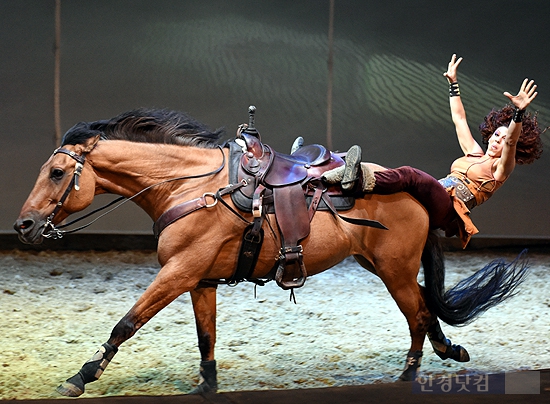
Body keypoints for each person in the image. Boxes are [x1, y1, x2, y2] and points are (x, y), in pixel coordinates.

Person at [324, 54, 544, 247]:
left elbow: (511, 143)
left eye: (504, 139)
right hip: (435, 192)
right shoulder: (474, 153)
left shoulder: (500, 169)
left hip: (448, 208)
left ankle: (358, 180)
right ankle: (345, 175)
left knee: (411, 175)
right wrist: (454, 84)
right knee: (384, 172)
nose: (499, 140)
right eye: (497, 134)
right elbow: (459, 119)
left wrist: (519, 113)